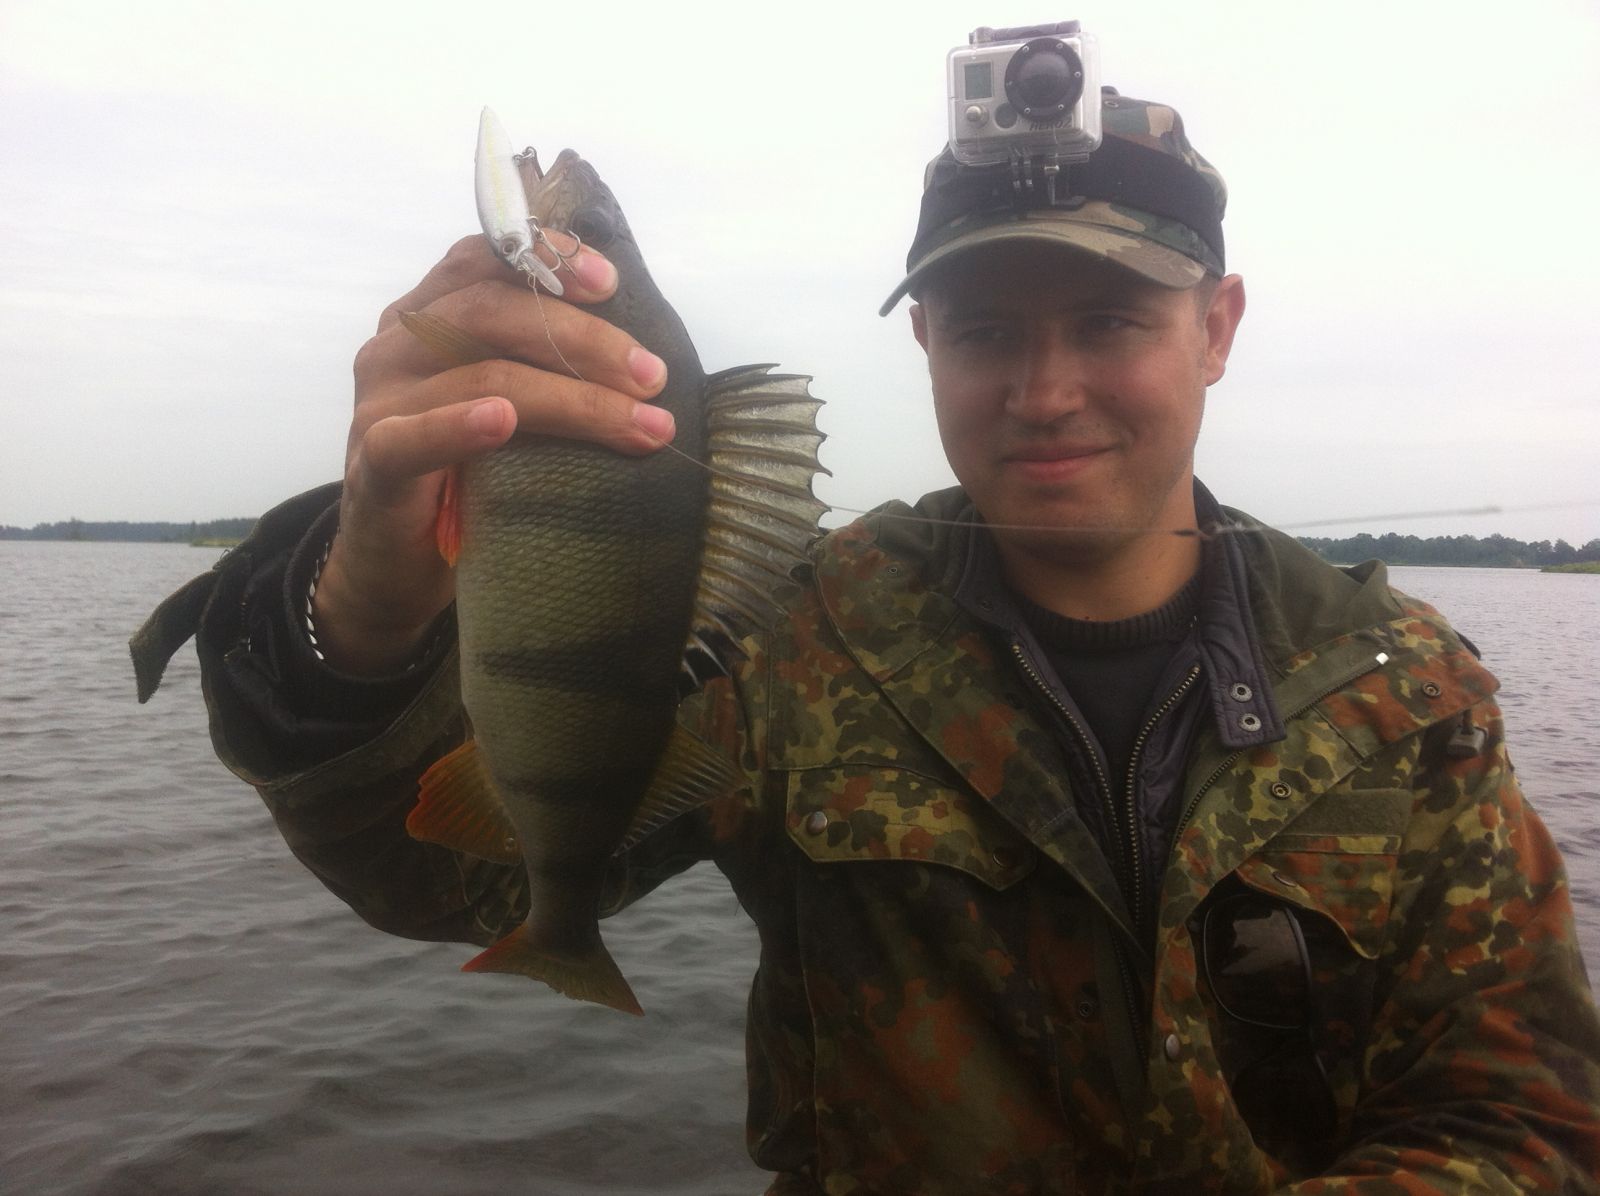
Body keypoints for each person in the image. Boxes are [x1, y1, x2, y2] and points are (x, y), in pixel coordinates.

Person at [133, 87, 1600, 1193]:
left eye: (1110, 320)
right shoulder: (795, 643)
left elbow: (1526, 1112)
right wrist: (359, 614)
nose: (1044, 389)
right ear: (923, 344)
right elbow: (448, 878)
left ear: (1216, 328)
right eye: (983, 328)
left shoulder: (1401, 689)